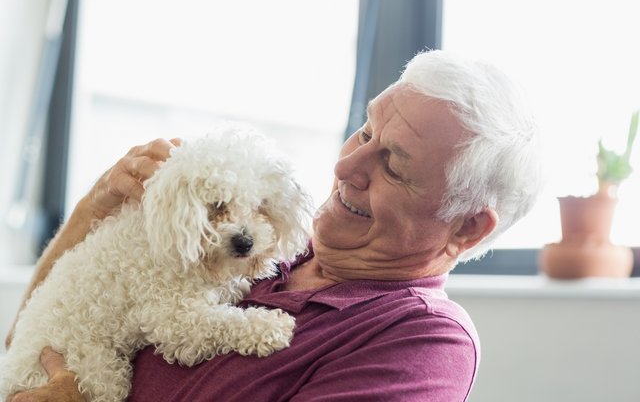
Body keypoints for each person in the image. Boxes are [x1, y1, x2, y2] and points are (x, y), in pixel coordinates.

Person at [5, 49, 542, 402]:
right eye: (364, 132)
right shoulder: (260, 244)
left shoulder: (422, 343)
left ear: (467, 228)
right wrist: (89, 214)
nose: (345, 168)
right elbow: (21, 340)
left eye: (393, 166)